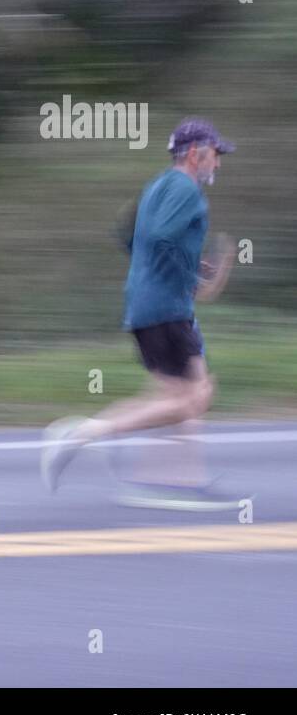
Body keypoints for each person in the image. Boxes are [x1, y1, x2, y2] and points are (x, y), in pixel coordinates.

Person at [41, 118, 241, 510]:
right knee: (188, 399)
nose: (217, 163)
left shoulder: (158, 185)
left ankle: (175, 479)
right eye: (215, 154)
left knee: (190, 391)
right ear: (195, 153)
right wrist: (189, 279)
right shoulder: (187, 190)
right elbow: (163, 237)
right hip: (167, 308)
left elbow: (130, 235)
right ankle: (89, 433)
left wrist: (176, 268)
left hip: (148, 303)